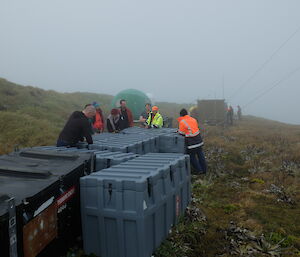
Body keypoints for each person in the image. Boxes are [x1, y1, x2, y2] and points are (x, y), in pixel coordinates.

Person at [177, 108, 207, 174]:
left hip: (191, 142)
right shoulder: (193, 119)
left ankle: (199, 170)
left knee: (192, 156)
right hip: (199, 140)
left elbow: (181, 133)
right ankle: (204, 170)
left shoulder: (182, 121)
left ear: (181, 115)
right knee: (200, 155)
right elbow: (193, 128)